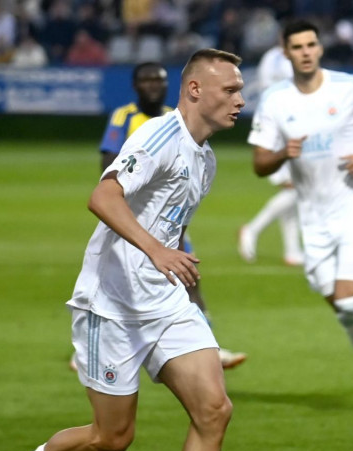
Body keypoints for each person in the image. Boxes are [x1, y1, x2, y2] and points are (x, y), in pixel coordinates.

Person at [0, 49, 247, 451]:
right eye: (230, 90)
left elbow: (169, 224)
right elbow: (104, 197)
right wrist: (157, 250)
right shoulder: (157, 136)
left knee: (214, 409)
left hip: (165, 301)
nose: (240, 100)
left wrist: (170, 263)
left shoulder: (206, 158)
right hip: (111, 304)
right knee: (112, 437)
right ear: (195, 90)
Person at [248, 20, 353, 416]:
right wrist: (282, 153)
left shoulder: (349, 87)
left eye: (311, 45)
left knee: (349, 299)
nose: (305, 52)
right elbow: (259, 162)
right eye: (297, 47)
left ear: (320, 48)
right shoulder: (274, 101)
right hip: (313, 218)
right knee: (344, 311)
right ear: (285, 53)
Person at [98, 61, 247, 370]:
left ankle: (206, 344)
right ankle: (96, 345)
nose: (153, 85)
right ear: (135, 86)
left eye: (159, 80)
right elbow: (108, 173)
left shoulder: (181, 124)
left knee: (190, 280)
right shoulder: (128, 118)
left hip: (170, 224)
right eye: (147, 80)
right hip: (134, 221)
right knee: (120, 289)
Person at [237, 43, 304, 266]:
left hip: (281, 120)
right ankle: (252, 229)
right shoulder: (284, 60)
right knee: (295, 189)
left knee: (291, 189)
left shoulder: (269, 57)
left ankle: (292, 251)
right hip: (281, 124)